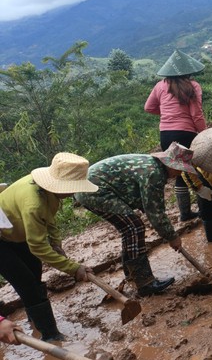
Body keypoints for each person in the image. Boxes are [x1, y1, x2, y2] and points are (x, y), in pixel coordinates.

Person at [74, 144, 197, 296]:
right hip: (94, 190)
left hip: (89, 187)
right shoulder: (154, 173)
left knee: (130, 228)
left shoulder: (154, 167)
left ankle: (132, 275)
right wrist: (172, 237)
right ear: (171, 164)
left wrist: (168, 233)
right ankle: (145, 283)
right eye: (180, 169)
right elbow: (155, 213)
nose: (180, 173)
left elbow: (147, 204)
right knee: (134, 227)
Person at [0, 153, 98, 342]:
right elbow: (38, 247)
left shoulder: (48, 191)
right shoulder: (33, 203)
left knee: (34, 274)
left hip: (16, 232)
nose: (74, 192)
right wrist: (73, 268)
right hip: (2, 238)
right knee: (27, 283)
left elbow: (49, 219)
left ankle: (35, 320)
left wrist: (56, 243)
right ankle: (51, 335)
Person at [145, 49, 207, 222]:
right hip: (186, 133)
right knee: (197, 170)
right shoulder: (193, 86)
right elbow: (196, 114)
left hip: (165, 134)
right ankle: (205, 210)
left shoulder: (160, 86)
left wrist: (167, 114)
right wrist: (204, 134)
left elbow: (148, 108)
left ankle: (185, 213)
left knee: (179, 171)